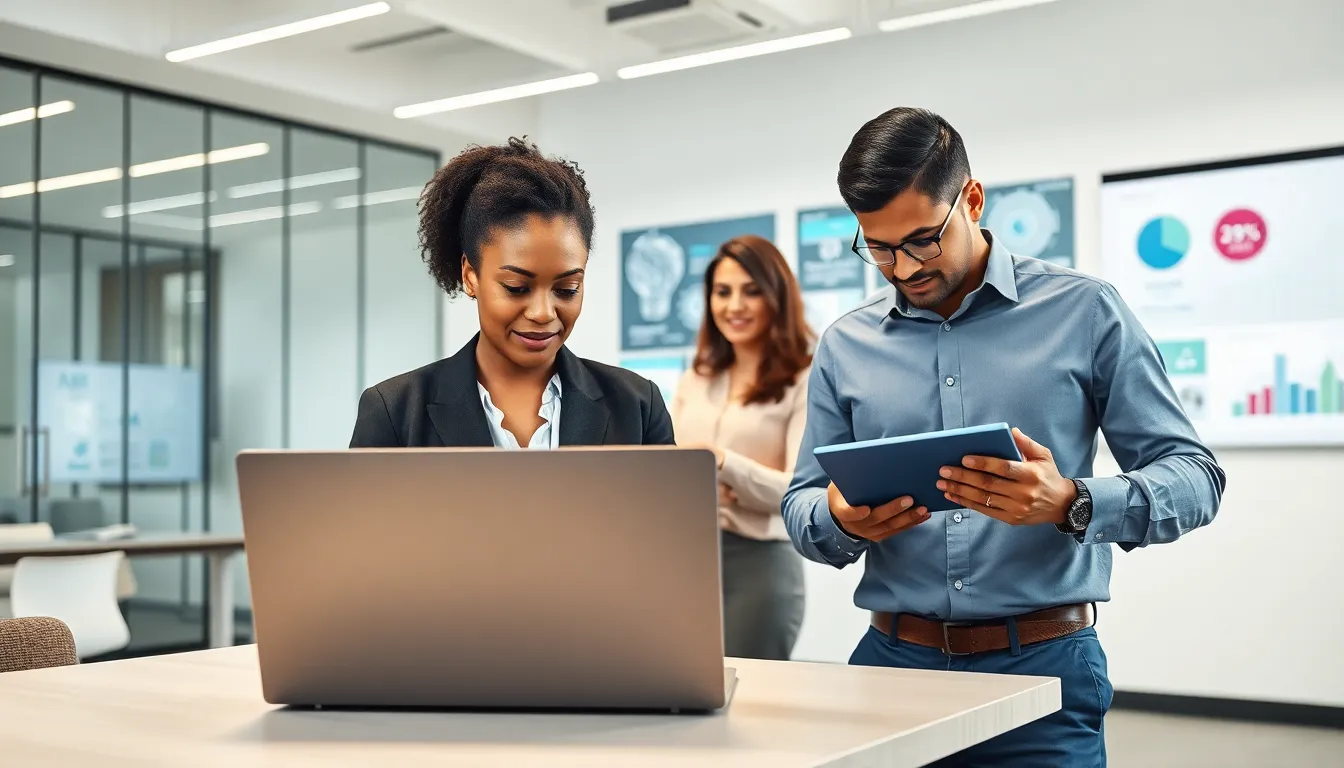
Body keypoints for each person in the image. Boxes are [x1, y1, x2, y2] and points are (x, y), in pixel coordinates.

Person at [782, 107, 1226, 767]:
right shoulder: (847, 344)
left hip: (1044, 671)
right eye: (878, 247)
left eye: (923, 239)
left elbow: (1194, 475)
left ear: (973, 199)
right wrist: (840, 518)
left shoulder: (1085, 310)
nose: (903, 268)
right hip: (890, 668)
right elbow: (802, 504)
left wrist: (1073, 500)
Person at [351, 138, 675, 450]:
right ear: (470, 276)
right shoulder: (394, 413)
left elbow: (671, 508)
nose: (543, 312)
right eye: (517, 288)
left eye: (567, 289)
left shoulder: (638, 407)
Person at [672, 235, 812, 661]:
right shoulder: (696, 377)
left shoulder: (805, 378)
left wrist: (722, 463)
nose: (735, 306)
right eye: (723, 292)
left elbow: (799, 491)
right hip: (682, 561)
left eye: (752, 291)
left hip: (760, 566)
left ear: (778, 297)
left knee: (749, 710)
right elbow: (670, 468)